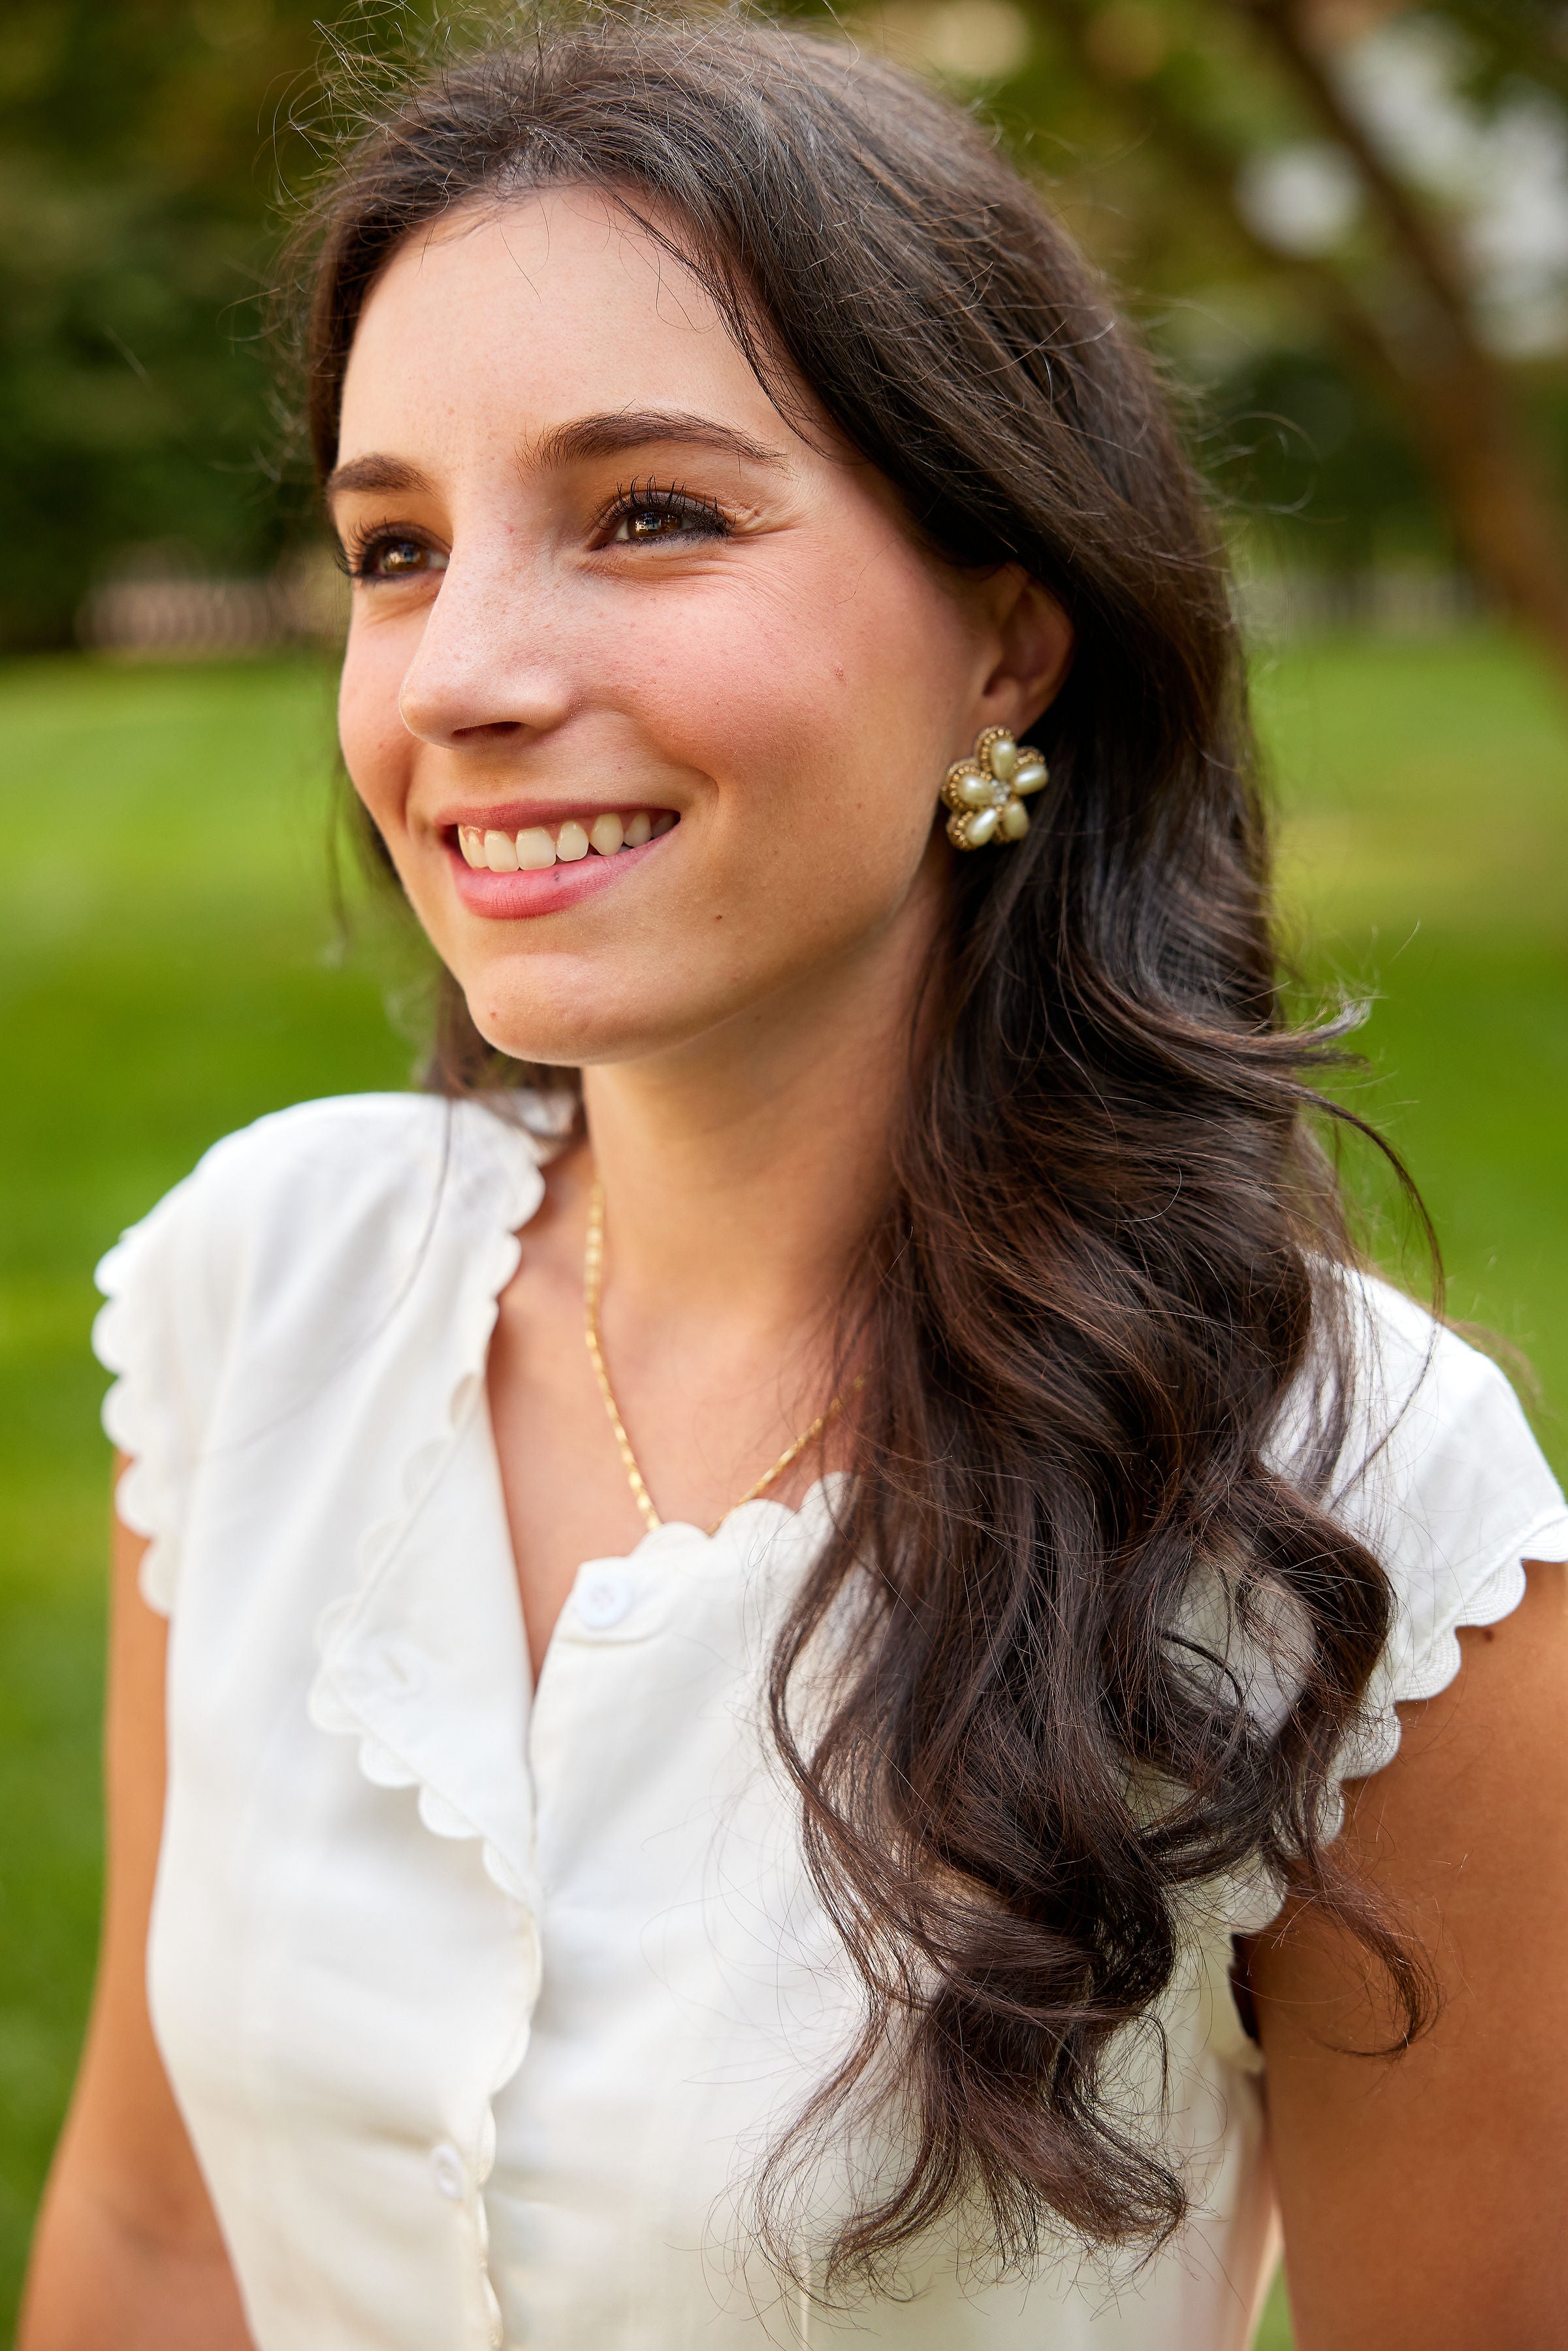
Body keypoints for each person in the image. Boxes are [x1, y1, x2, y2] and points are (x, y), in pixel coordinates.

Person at [19, 16, 1568, 2350]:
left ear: (1004, 642)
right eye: (395, 547)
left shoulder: (1357, 1514)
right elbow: (157, 2239)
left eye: (648, 513)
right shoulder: (272, 1288)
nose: (465, 672)